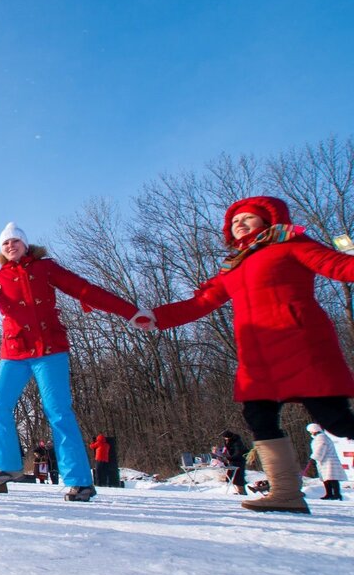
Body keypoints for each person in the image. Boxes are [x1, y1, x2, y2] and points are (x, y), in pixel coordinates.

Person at [140, 196, 354, 514]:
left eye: (248, 218)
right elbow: (202, 302)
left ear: (268, 221)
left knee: (335, 420)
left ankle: (288, 491)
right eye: (234, 220)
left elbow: (338, 266)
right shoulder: (234, 265)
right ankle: (286, 492)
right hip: (258, 354)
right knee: (258, 416)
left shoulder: (291, 244)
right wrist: (154, 316)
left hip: (299, 342)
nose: (239, 223)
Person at [0, 222, 140, 502]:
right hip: (15, 353)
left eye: (15, 241)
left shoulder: (46, 269)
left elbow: (85, 290)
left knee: (58, 411)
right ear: (1, 250)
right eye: (5, 243)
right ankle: (6, 468)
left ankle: (80, 481)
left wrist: (130, 312)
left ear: (25, 244)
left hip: (50, 350)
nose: (10, 246)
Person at [308, 423, 348, 501]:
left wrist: (314, 457)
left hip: (329, 461)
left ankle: (336, 494)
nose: (310, 433)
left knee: (332, 478)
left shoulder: (321, 438)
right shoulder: (320, 437)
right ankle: (329, 494)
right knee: (326, 478)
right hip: (324, 461)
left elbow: (320, 448)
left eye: (310, 431)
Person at [219, 431, 249, 495]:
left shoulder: (237, 443)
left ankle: (242, 491)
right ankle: (239, 491)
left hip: (239, 460)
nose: (225, 439)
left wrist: (228, 458)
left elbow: (238, 454)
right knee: (233, 476)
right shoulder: (228, 441)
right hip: (233, 460)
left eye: (225, 438)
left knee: (239, 477)